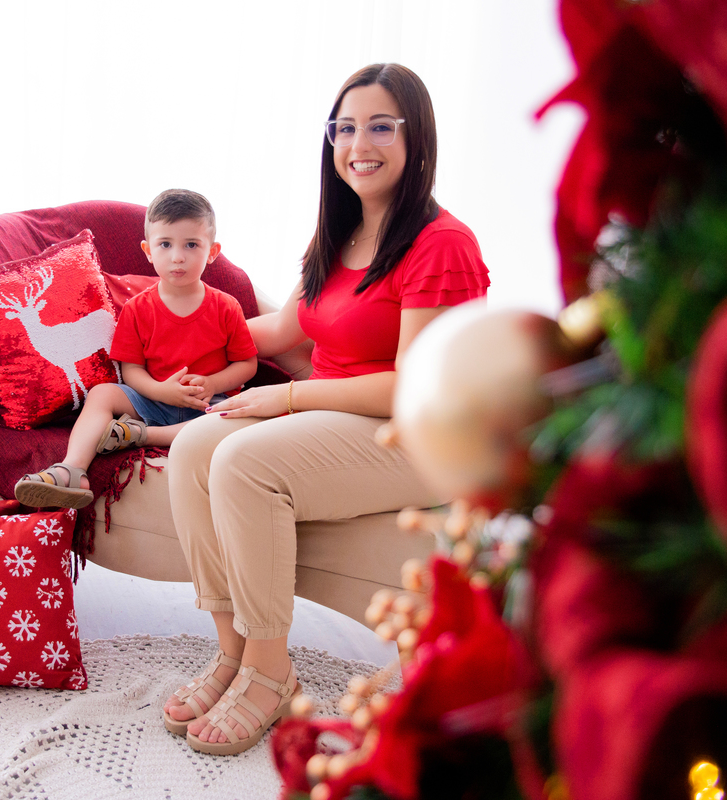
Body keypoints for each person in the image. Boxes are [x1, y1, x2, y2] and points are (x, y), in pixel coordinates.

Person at [161, 63, 490, 756]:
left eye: (379, 126)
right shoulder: (339, 232)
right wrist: (175, 340)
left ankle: (269, 672)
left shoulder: (441, 244)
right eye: (344, 128)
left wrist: (283, 396)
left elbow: (411, 386)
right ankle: (232, 654)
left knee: (245, 462)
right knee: (193, 446)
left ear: (416, 138)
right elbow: (282, 331)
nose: (357, 143)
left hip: (414, 435)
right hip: (334, 420)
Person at [14, 189, 259, 510]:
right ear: (148, 250)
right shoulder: (137, 308)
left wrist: (213, 384)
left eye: (191, 245)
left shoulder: (226, 306)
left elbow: (247, 364)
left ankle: (141, 436)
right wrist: (161, 391)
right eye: (165, 244)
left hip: (206, 405)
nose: (178, 257)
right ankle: (72, 469)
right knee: (103, 393)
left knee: (241, 417)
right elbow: (131, 370)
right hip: (153, 401)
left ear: (212, 251)